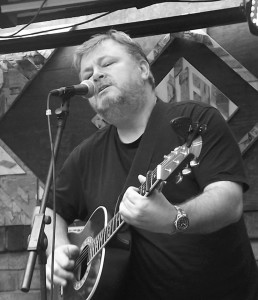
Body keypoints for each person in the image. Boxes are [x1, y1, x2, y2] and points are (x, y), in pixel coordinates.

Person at [43, 30, 258, 300]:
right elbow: (49, 212)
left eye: (107, 64)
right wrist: (58, 248)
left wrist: (173, 218)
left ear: (143, 69)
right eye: (86, 74)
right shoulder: (84, 156)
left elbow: (229, 201)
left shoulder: (194, 122)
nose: (94, 76)